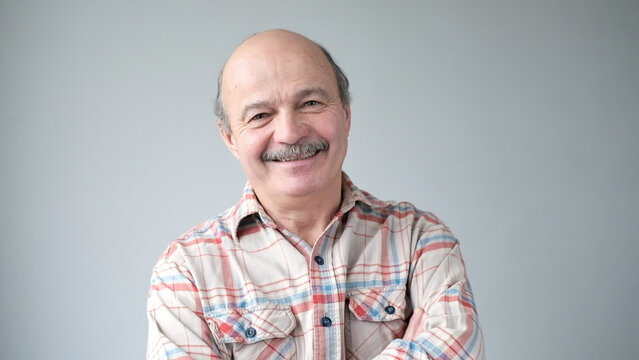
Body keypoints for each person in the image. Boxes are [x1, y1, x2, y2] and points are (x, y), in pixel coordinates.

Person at [146, 29, 485, 360]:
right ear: (231, 138)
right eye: (260, 115)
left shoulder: (420, 241)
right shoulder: (185, 273)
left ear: (346, 115)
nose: (290, 133)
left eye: (310, 103)